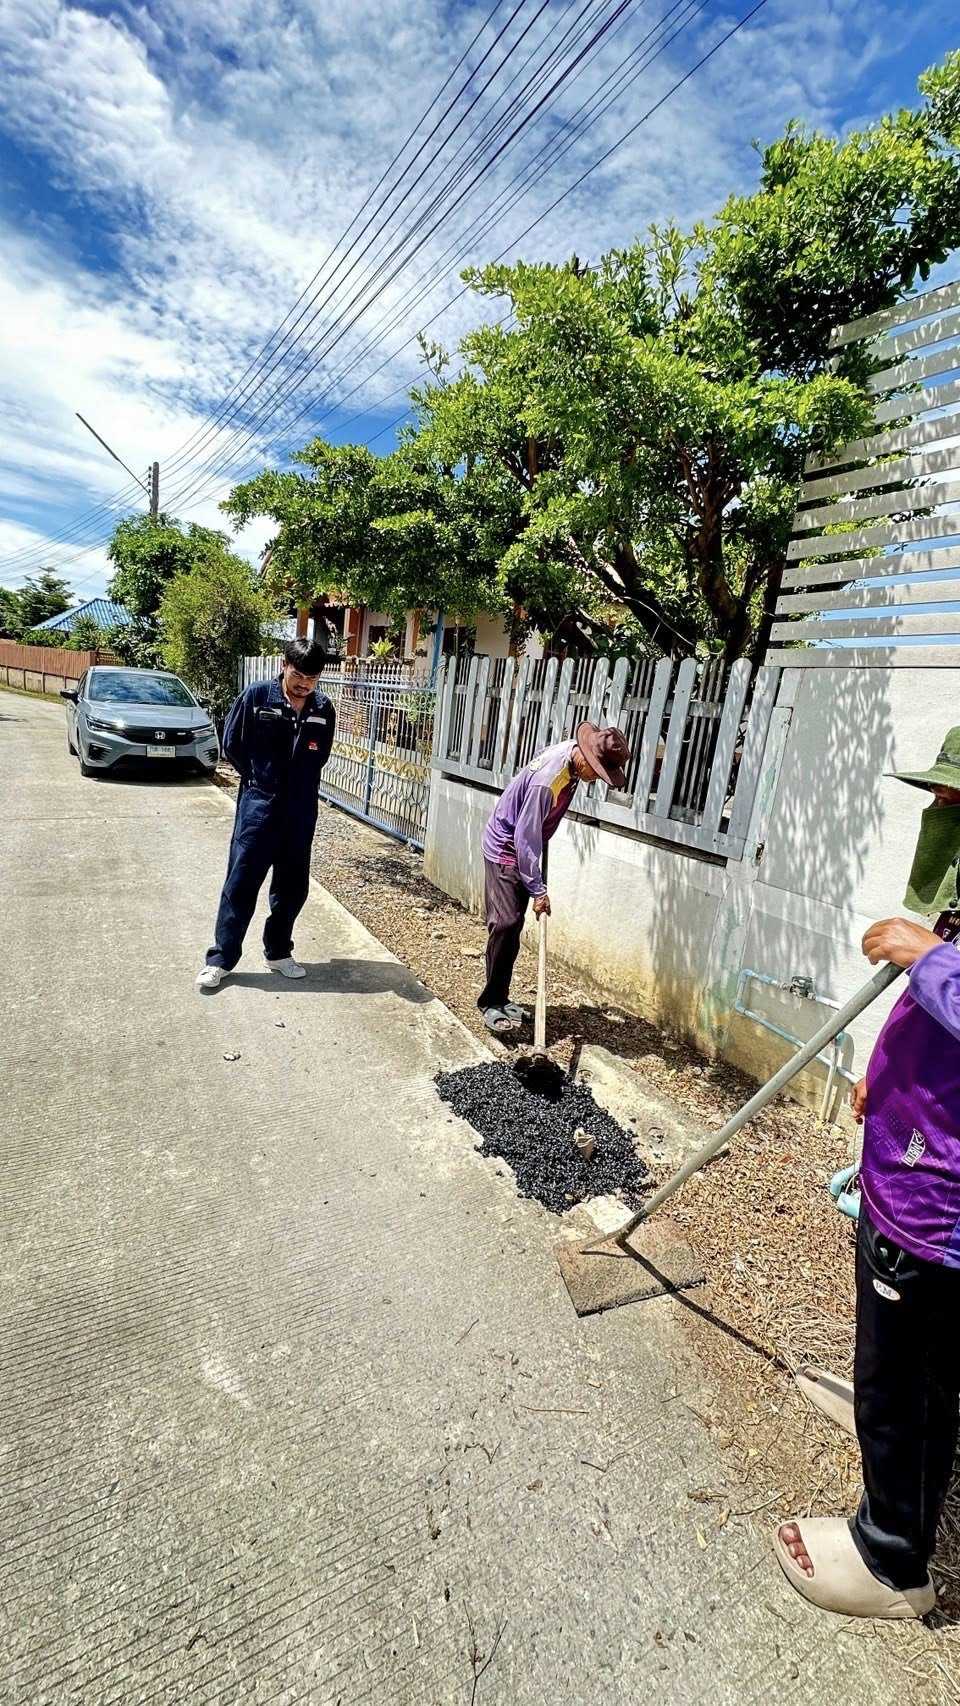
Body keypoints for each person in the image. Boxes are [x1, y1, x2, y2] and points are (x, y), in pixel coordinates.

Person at [776, 725, 960, 1620]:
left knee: (908, 1378)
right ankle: (896, 1438)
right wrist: (883, 1079)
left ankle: (893, 1560)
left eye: (956, 800)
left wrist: (931, 958)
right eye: (940, 795)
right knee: (906, 1368)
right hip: (908, 1166)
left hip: (936, 1207)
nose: (939, 810)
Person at [197, 638, 335, 989]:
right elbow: (232, 743)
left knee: (292, 888)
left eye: (312, 678)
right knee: (241, 883)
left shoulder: (323, 708)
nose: (305, 684)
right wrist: (260, 779)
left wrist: (296, 784)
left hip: (300, 811)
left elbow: (320, 756)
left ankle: (278, 952)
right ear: (284, 665)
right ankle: (221, 959)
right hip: (259, 808)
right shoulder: (257, 697)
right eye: (299, 675)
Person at [478, 721, 631, 1034]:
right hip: (506, 848)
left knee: (512, 927)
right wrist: (538, 890)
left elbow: (533, 829)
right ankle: (490, 1002)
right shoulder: (549, 781)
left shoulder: (569, 758)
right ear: (585, 757)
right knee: (505, 924)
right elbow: (524, 836)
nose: (595, 779)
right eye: (597, 772)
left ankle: (501, 997)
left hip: (525, 845)